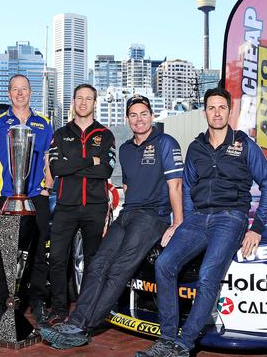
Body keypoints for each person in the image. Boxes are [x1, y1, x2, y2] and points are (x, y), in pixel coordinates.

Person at [137, 87, 267, 357]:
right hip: (198, 218)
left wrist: (257, 227)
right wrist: (185, 221)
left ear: (229, 111)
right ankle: (167, 338)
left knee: (207, 274)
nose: (216, 112)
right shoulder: (196, 147)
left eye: (221, 107)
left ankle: (184, 343)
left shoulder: (245, 144)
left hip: (230, 218)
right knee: (165, 264)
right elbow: (187, 188)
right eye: (211, 108)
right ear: (205, 112)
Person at [40, 94, 184, 348]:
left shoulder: (166, 142)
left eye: (143, 114)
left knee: (118, 268)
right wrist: (114, 215)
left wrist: (177, 223)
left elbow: (176, 186)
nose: (139, 119)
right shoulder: (127, 149)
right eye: (133, 115)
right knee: (97, 265)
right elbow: (127, 185)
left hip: (153, 217)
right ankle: (76, 322)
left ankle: (83, 326)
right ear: (127, 119)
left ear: (151, 116)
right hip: (127, 213)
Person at [0, 74, 54, 327]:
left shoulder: (44, 123)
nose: (20, 93)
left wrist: (48, 186)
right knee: (4, 253)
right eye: (15, 89)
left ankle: (37, 303)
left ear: (31, 92)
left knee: (37, 252)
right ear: (9, 93)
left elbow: (47, 160)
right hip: (7, 197)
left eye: (24, 89)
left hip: (36, 197)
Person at [46, 83, 116, 325]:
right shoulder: (60, 134)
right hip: (65, 206)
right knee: (56, 257)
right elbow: (57, 168)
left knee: (93, 260)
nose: (83, 102)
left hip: (95, 207)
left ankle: (86, 309)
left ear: (95, 102)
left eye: (88, 98)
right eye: (79, 98)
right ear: (73, 102)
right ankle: (58, 308)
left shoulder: (105, 134)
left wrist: (73, 163)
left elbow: (106, 170)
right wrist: (90, 160)